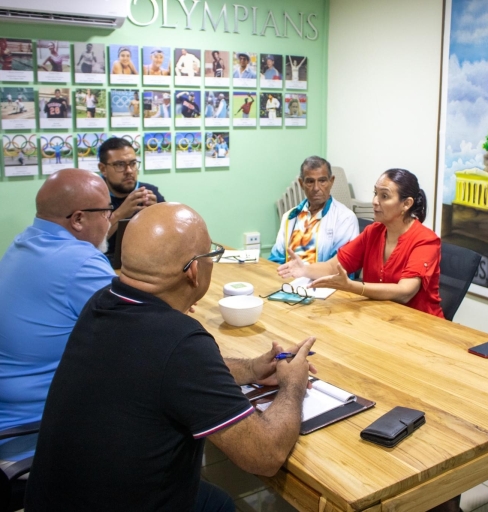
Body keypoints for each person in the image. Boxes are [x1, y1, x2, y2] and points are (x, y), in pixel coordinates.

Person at [25, 202, 316, 511]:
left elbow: (163, 372)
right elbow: (264, 456)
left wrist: (251, 369)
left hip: (55, 499)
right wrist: (293, 385)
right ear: (193, 270)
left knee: (214, 498)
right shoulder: (181, 341)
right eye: (210, 254)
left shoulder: (103, 303)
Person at [0, 169, 115, 465]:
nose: (110, 221)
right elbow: (143, 334)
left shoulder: (25, 242)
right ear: (78, 219)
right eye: (106, 212)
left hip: (12, 415)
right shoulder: (82, 262)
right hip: (37, 435)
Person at [278, 168, 443, 317]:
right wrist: (305, 269)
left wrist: (351, 286)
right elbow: (332, 267)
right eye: (375, 193)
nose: (375, 201)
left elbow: (404, 292)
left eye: (384, 196)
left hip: (420, 325)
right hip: (380, 317)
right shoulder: (373, 232)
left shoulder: (425, 240)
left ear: (406, 204)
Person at [269, 156, 357, 265]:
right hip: (288, 280)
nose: (316, 188)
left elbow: (340, 267)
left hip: (323, 281)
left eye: (322, 181)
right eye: (310, 181)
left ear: (331, 181)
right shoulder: (289, 217)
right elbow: (276, 259)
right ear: (301, 184)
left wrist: (304, 274)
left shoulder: (345, 218)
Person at [97, 137, 165, 256]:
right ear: (103, 169)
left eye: (133, 164)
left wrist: (157, 216)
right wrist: (120, 214)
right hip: (105, 265)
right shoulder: (93, 197)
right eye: (120, 165)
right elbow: (88, 245)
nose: (129, 171)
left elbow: (170, 238)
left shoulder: (149, 193)